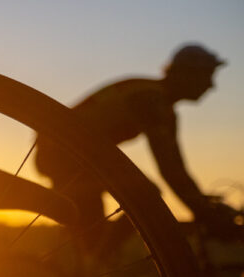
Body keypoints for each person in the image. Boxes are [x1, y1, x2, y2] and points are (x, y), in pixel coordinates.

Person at [35, 43, 236, 250]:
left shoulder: (162, 105)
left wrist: (201, 204)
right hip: (62, 154)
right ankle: (103, 258)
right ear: (186, 74)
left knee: (93, 235)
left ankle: (96, 260)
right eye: (207, 75)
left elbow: (177, 167)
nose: (211, 85)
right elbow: (170, 169)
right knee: (145, 195)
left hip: (72, 155)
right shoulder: (150, 98)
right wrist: (205, 213)